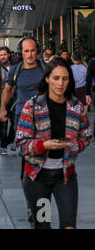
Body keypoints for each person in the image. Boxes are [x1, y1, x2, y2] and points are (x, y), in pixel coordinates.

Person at [15, 60, 90, 228]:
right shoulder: (32, 107)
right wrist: (44, 146)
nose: (60, 83)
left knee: (69, 225)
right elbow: (20, 144)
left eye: (65, 78)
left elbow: (86, 136)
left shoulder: (76, 107)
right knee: (43, 225)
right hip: (37, 178)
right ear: (47, 79)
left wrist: (74, 145)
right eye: (56, 78)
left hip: (65, 176)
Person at [1, 38, 45, 157]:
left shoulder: (46, 68)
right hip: (22, 117)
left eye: (32, 51)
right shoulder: (15, 70)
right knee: (26, 153)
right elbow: (7, 91)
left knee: (42, 152)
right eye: (26, 51)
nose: (29, 54)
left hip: (43, 116)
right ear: (21, 52)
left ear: (37, 51)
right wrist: (2, 109)